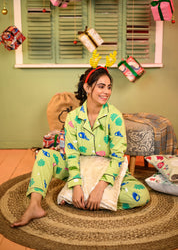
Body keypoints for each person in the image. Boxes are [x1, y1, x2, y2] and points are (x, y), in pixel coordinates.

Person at [11, 66, 150, 227]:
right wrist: (76, 185)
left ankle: (94, 198)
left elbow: (117, 157)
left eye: (109, 87)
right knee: (44, 155)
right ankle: (34, 205)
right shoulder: (73, 118)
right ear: (87, 87)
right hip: (77, 169)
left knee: (141, 195)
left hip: (105, 171)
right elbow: (71, 154)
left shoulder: (114, 117)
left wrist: (100, 188)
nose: (106, 92)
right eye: (101, 86)